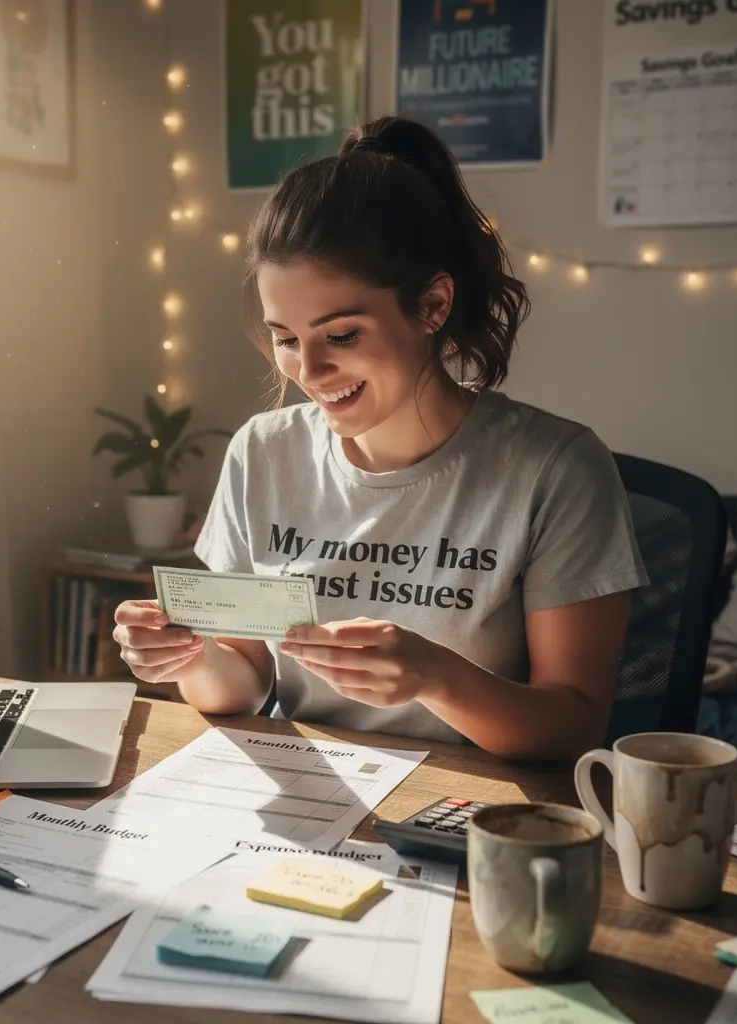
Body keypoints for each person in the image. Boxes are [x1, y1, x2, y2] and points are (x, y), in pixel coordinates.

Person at [113, 115, 648, 760]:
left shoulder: (556, 470)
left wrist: (436, 676)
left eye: (341, 336)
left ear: (433, 305)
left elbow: (575, 728)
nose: (309, 372)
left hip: (472, 801)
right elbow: (245, 683)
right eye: (286, 339)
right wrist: (190, 657)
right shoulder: (262, 453)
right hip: (311, 788)